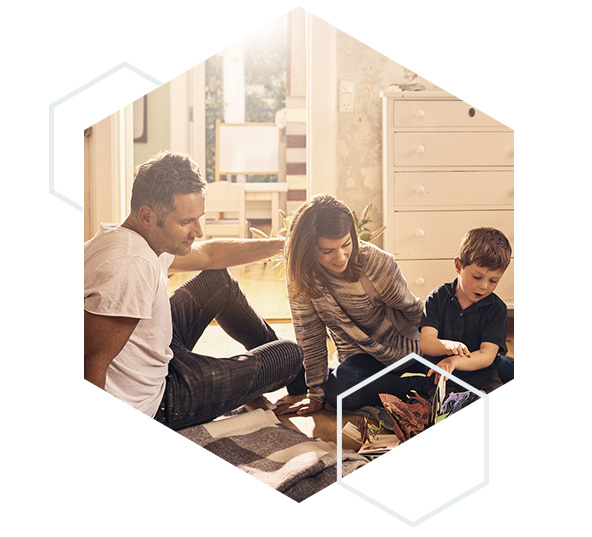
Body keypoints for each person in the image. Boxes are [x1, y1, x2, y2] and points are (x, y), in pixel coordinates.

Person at [84, 151, 303, 431]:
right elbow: (92, 362)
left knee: (217, 280)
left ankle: (292, 379)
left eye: (199, 218)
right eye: (187, 221)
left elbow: (210, 255)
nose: (198, 231)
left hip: (156, 356)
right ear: (147, 215)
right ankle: (294, 375)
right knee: (290, 354)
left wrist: (282, 245)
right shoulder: (130, 267)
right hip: (157, 401)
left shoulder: (131, 237)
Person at [275, 194, 426, 416]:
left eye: (346, 244)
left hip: (409, 350)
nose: (340, 257)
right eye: (327, 251)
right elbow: (309, 334)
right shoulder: (302, 274)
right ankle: (425, 389)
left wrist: (447, 347)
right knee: (339, 392)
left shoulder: (375, 262)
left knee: (489, 367)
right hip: (362, 360)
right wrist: (316, 394)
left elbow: (414, 311)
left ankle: (429, 383)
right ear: (308, 248)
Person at [419, 227, 514, 392]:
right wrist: (446, 346)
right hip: (443, 381)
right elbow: (426, 343)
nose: (484, 286)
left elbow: (487, 355)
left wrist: (453, 361)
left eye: (493, 281)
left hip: (485, 381)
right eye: (477, 277)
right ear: (458, 265)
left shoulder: (497, 308)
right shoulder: (437, 298)